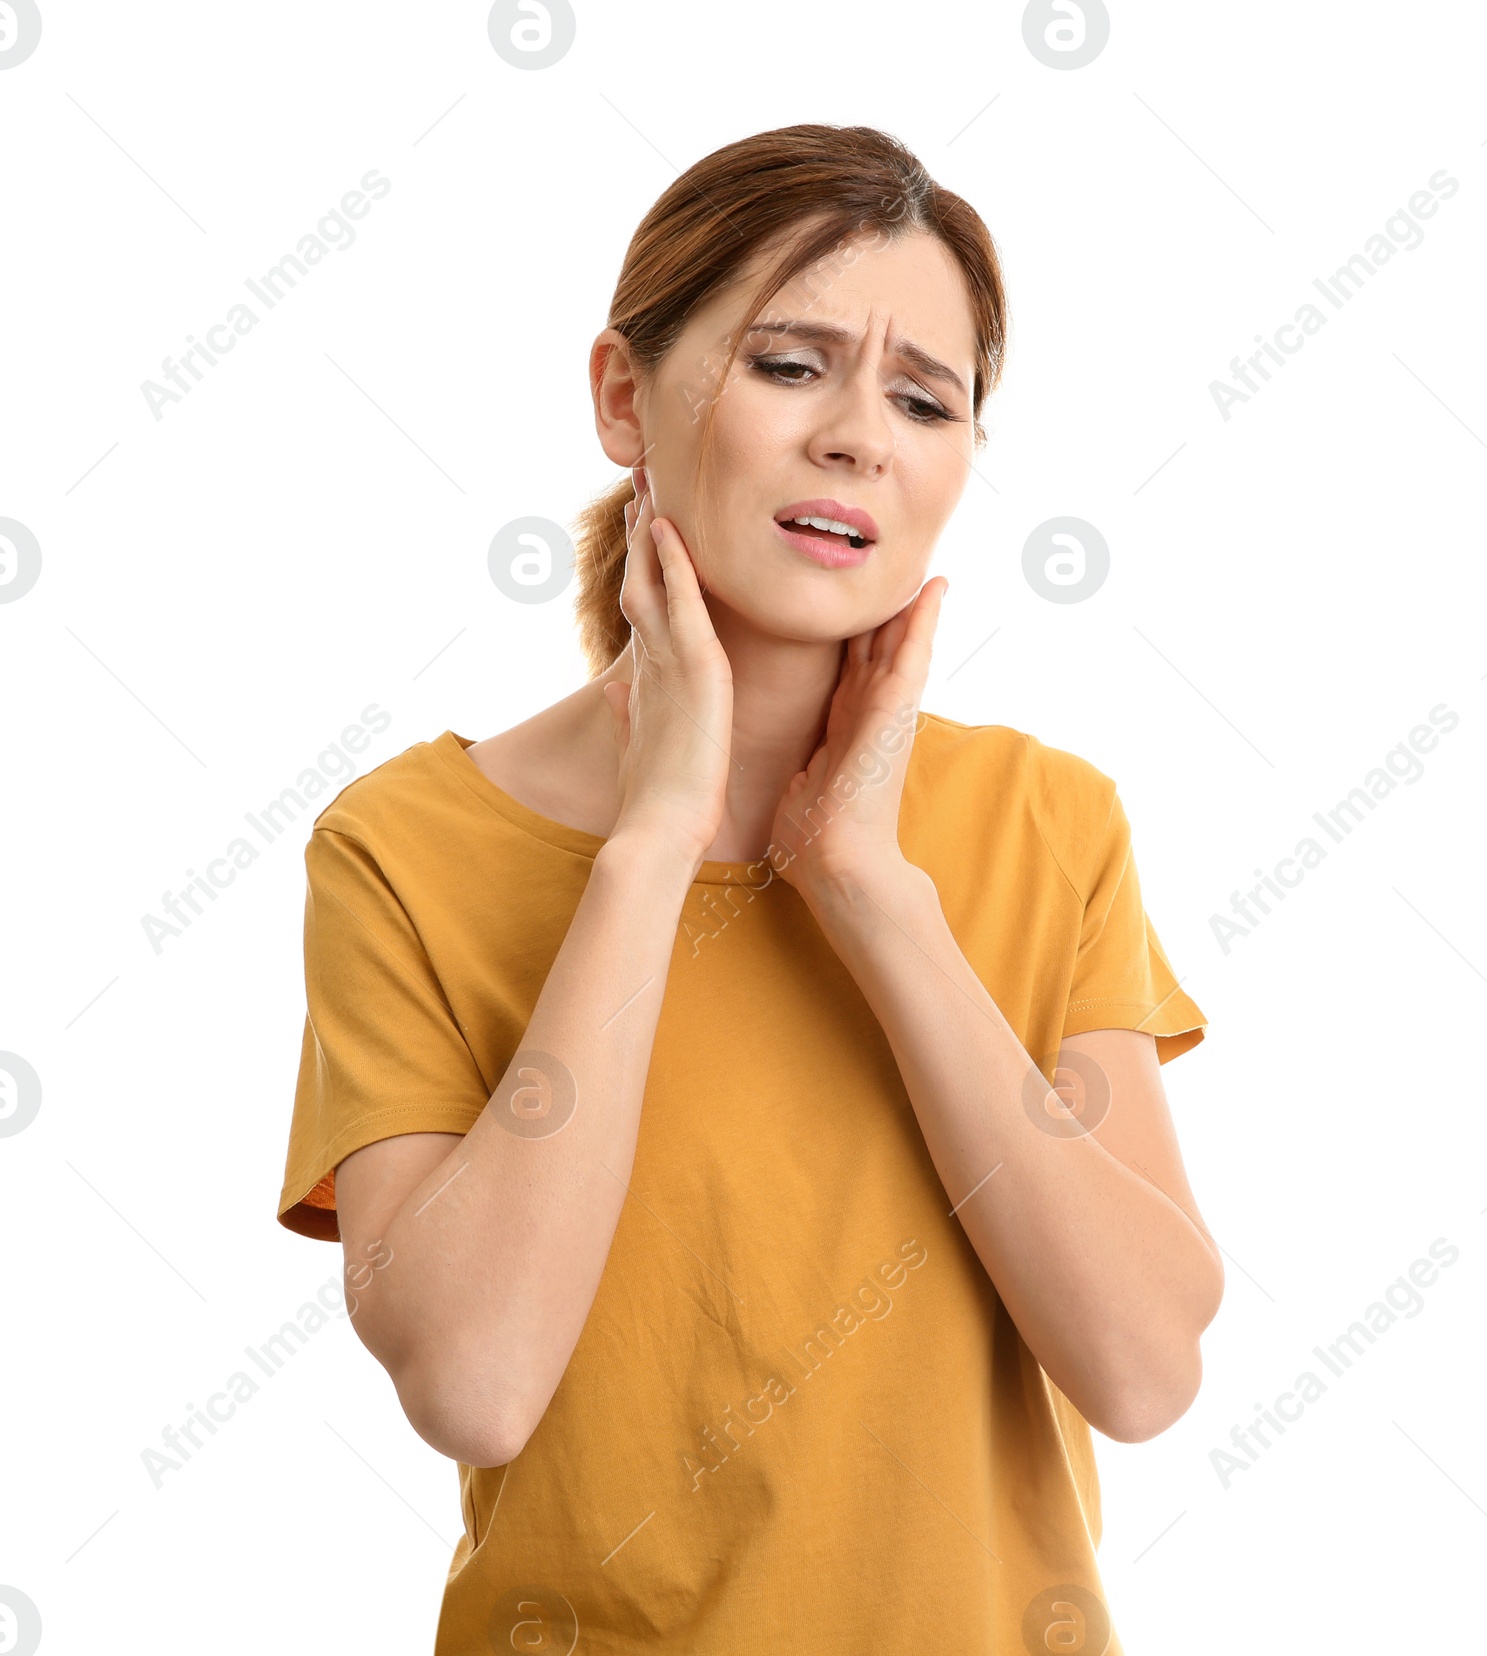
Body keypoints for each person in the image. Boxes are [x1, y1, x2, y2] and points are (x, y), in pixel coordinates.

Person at [274, 122, 1222, 1656]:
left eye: (926, 397)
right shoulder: (406, 847)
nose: (860, 437)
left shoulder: (1046, 821)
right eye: (792, 366)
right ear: (622, 397)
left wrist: (868, 885)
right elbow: (474, 1379)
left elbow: (1143, 1368)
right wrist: (651, 849)